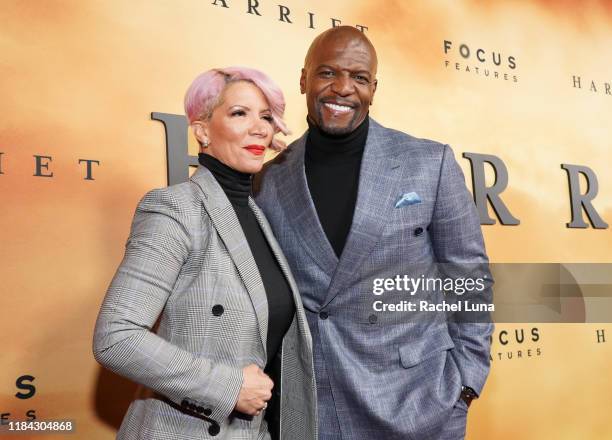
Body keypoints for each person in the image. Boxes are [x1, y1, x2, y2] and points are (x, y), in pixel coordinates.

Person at [254, 27, 493, 439]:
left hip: (419, 403)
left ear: (373, 87)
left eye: (359, 78)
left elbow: (467, 278)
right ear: (303, 79)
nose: (343, 88)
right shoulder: (269, 178)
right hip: (316, 406)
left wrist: (465, 382)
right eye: (328, 73)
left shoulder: (429, 162)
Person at [93, 67, 317, 440]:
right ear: (201, 130)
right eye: (239, 113)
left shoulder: (257, 216)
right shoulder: (175, 209)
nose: (260, 128)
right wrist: (228, 387)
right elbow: (116, 336)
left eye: (265, 116)